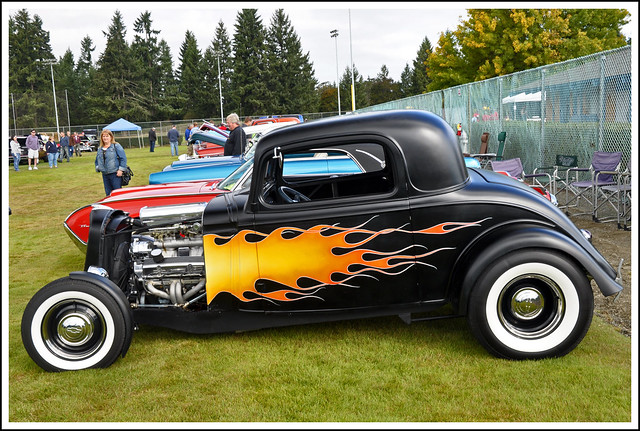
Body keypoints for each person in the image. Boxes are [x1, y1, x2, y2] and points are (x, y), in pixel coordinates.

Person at [95, 129, 127, 196]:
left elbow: (123, 158)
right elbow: (97, 159)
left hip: (115, 174)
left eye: (107, 136)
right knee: (108, 194)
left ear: (111, 137)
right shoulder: (100, 148)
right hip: (105, 174)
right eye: (103, 136)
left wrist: (121, 170)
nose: (105, 138)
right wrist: (98, 167)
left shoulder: (116, 146)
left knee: (117, 193)